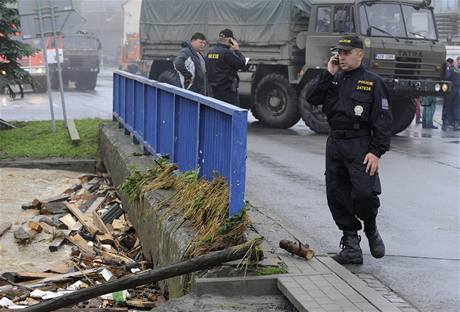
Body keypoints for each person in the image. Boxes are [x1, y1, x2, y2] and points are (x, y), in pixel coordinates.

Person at [305, 35, 392, 264]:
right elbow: (311, 97)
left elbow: (383, 120)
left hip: (360, 144)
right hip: (335, 142)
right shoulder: (334, 78)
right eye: (339, 53)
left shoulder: (372, 82)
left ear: (359, 54)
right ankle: (351, 243)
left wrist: (376, 151)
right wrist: (328, 73)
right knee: (336, 194)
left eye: (346, 53)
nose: (341, 57)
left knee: (364, 193)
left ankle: (370, 227)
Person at [206, 29, 246, 106]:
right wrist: (237, 50)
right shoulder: (227, 53)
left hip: (213, 91)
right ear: (230, 39)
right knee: (231, 115)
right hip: (227, 93)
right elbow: (242, 64)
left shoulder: (210, 52)